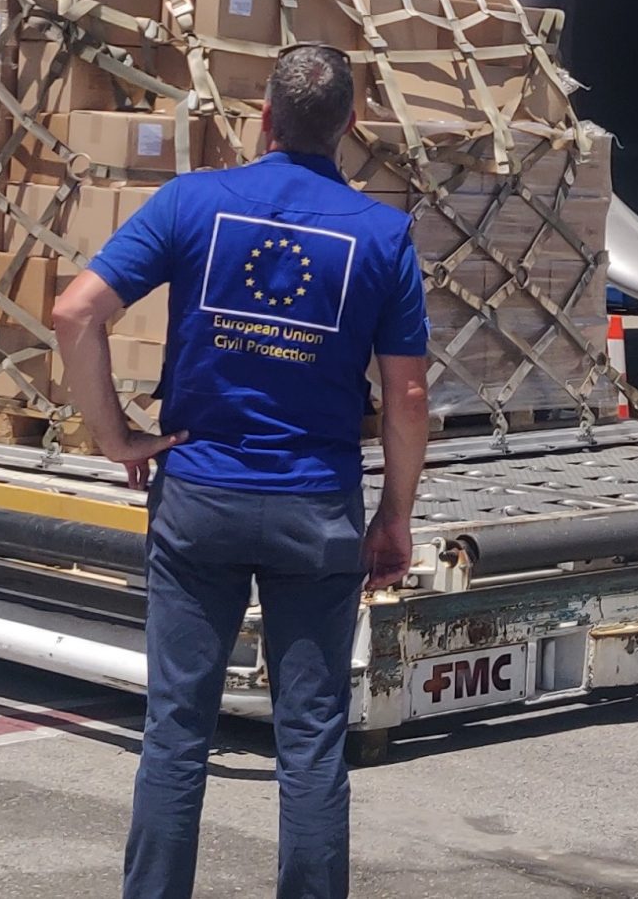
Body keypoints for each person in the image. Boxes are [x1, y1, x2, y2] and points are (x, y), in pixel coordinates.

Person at [50, 45, 430, 899]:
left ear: (263, 115)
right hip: (314, 509)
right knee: (310, 738)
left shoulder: (193, 202)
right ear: (352, 127)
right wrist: (394, 515)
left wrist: (115, 438)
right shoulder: (380, 234)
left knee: (178, 731)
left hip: (200, 497)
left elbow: (76, 311)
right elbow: (406, 396)